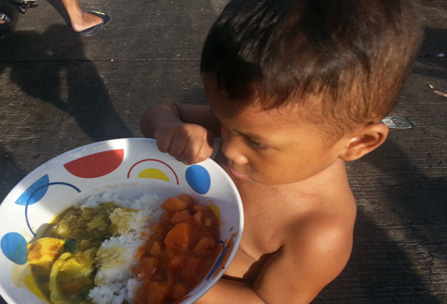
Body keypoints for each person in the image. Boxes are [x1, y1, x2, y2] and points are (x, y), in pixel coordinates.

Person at [140, 0, 425, 303]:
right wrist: (169, 127)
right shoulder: (246, 124)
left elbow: (266, 301)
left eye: (257, 143)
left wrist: (169, 282)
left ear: (358, 143)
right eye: (222, 122)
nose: (230, 149)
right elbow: (160, 113)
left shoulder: (318, 233)